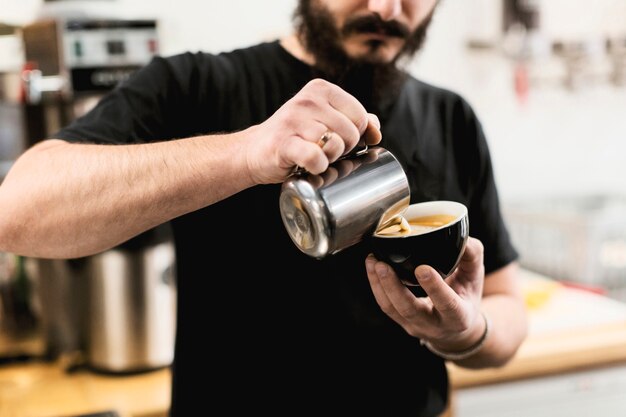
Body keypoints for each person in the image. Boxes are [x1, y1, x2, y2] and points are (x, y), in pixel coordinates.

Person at [0, 1, 528, 415]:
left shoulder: (452, 117)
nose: (387, 8)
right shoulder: (196, 87)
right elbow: (17, 212)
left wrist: (467, 334)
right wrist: (243, 153)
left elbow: (506, 307)